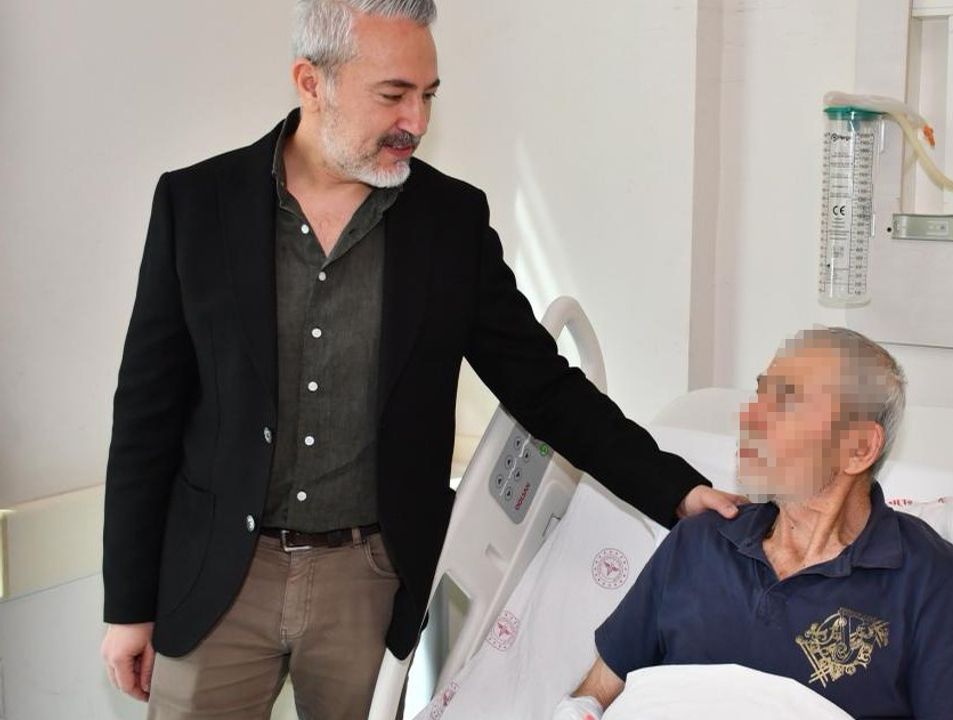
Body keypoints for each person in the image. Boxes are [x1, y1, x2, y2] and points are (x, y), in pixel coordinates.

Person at [99, 1, 741, 717]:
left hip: (368, 581)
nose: (417, 121)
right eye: (393, 95)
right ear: (312, 82)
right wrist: (128, 604)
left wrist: (677, 491)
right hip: (218, 577)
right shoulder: (197, 204)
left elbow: (544, 387)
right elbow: (147, 414)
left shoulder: (450, 222)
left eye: (428, 95)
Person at [558, 328, 953, 720]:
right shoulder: (699, 542)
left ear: (859, 448)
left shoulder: (937, 583)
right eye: (760, 393)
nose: (751, 416)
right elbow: (594, 695)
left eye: (786, 401)